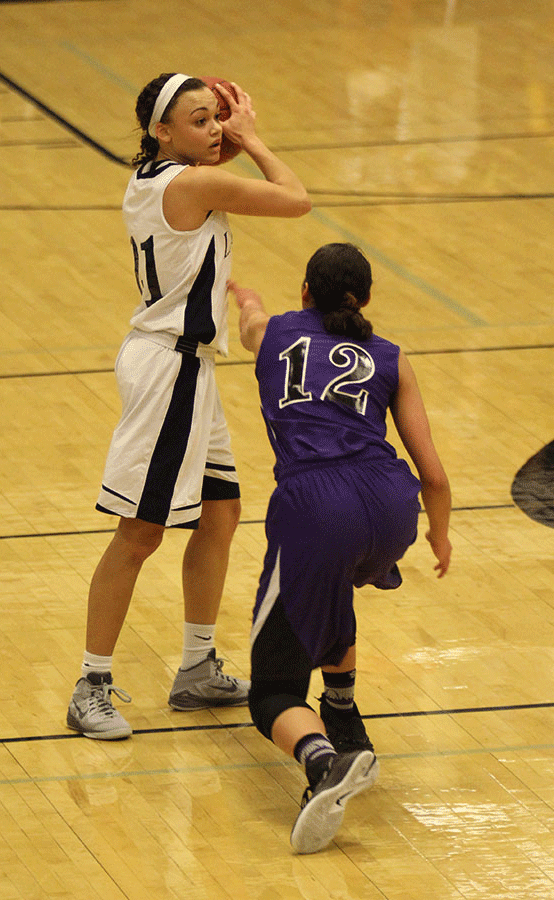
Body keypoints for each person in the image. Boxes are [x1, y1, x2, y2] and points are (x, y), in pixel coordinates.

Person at [66, 73, 311, 740]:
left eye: (216, 119)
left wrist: (218, 143)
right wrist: (253, 139)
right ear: (162, 131)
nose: (214, 130)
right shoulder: (192, 184)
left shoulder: (160, 175)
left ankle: (198, 667)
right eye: (199, 120)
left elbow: (210, 171)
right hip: (167, 371)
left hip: (187, 367)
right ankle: (90, 684)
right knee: (140, 533)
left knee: (222, 512)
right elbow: (296, 200)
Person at [229, 242, 451, 853]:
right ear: (368, 299)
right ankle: (345, 711)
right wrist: (440, 531)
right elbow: (432, 473)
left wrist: (246, 297)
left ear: (304, 291)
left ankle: (322, 760)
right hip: (391, 506)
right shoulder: (392, 357)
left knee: (271, 691)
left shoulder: (274, 332)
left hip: (317, 506)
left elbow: (250, 323)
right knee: (334, 578)